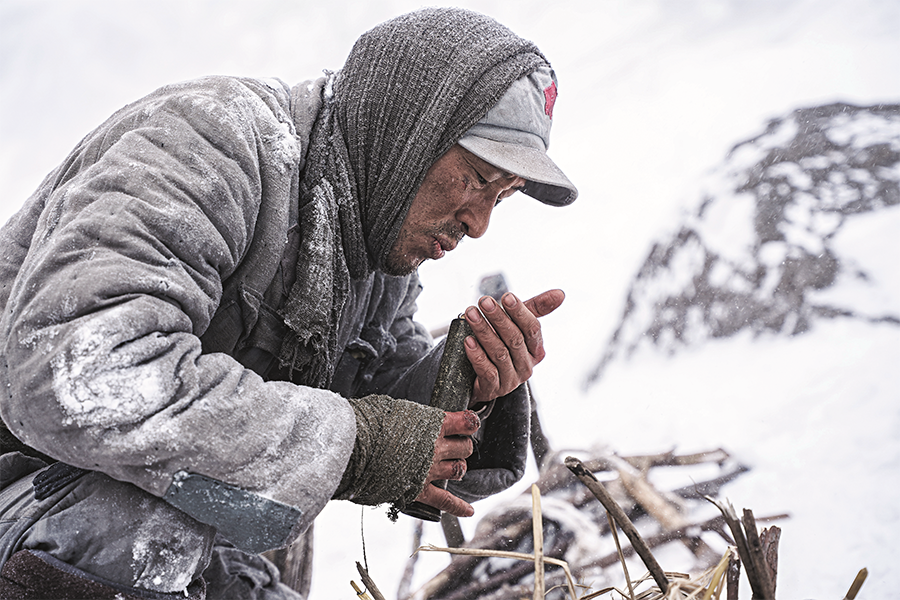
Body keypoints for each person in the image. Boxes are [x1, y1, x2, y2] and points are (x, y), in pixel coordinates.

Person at [0, 7, 577, 599]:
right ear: (410, 132)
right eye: (477, 178)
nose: (479, 224)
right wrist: (352, 445)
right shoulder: (211, 144)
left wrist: (466, 390)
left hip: (140, 528)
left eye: (502, 197)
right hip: (49, 505)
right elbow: (74, 373)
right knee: (143, 538)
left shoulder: (375, 255)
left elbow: (376, 412)